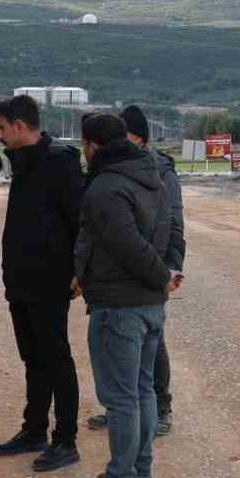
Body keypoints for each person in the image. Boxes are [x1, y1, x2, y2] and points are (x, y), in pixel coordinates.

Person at [69, 112, 181, 478]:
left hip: (119, 306)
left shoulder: (106, 186)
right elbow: (170, 231)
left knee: (121, 400)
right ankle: (139, 473)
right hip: (149, 304)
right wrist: (164, 275)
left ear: (93, 145)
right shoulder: (151, 177)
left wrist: (159, 277)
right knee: (143, 390)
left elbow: (126, 244)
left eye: (83, 144)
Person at [0, 94, 85, 471]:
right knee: (33, 358)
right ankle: (34, 430)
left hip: (49, 279)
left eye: (1, 128)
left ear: (19, 126)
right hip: (21, 280)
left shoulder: (58, 161)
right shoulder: (23, 162)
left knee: (56, 358)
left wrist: (80, 269)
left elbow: (80, 220)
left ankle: (66, 440)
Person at [88, 104, 184, 436]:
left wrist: (169, 270)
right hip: (120, 278)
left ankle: (161, 407)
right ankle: (121, 410)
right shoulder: (112, 171)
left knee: (152, 348)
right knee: (121, 352)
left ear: (138, 137)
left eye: (123, 134)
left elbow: (174, 224)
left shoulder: (160, 172)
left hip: (151, 274)